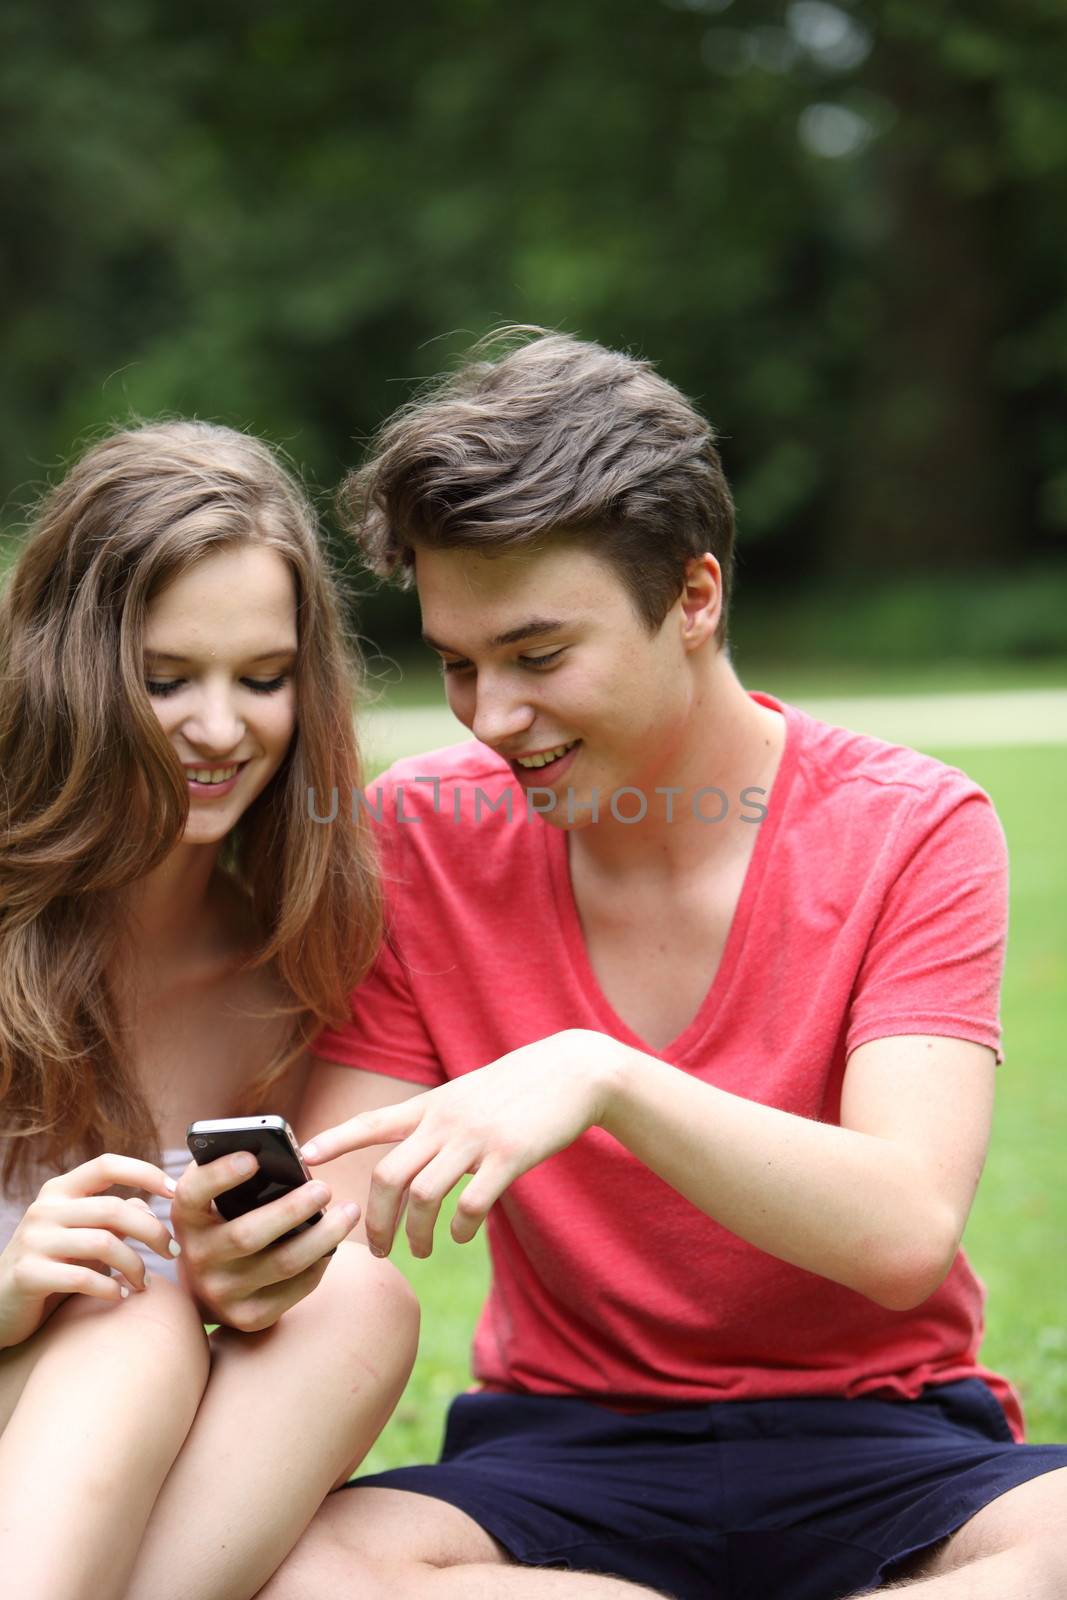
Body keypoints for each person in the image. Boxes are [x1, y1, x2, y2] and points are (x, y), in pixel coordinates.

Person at [259, 330, 1067, 1600]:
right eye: (456, 663)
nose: (490, 716)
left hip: (885, 1440)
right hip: (565, 1451)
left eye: (536, 656)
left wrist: (604, 1076)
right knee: (300, 1569)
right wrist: (253, 1229)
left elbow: (903, 1227)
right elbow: (348, 1196)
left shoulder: (912, 825)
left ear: (694, 599)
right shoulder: (415, 837)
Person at [0, 421, 418, 1600]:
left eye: (263, 678)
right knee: (127, 1315)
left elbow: (287, 1290)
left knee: (356, 1305)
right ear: (66, 665)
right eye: (166, 678)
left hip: (116, 1493)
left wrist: (244, 1273)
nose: (222, 731)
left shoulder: (298, 967)